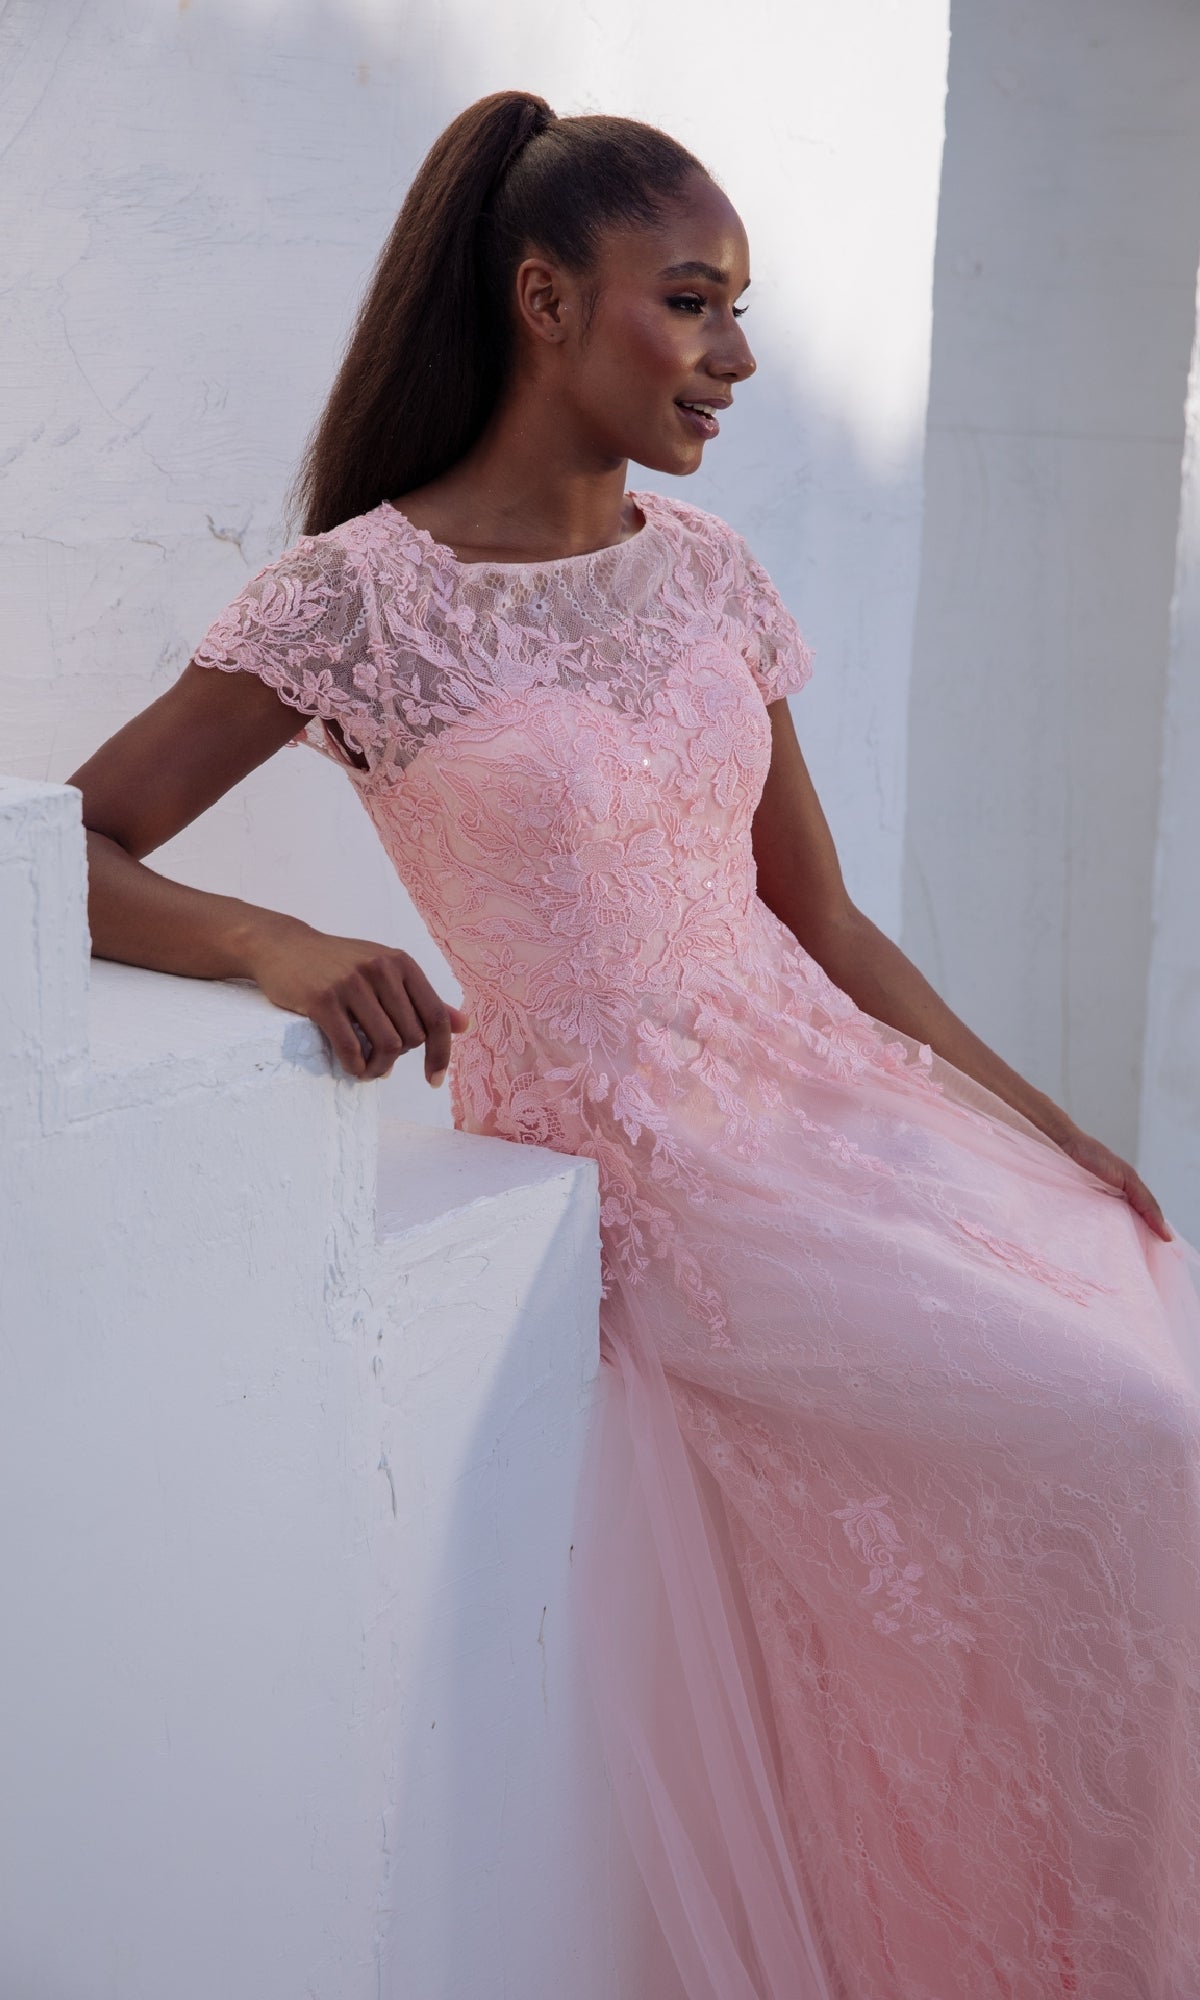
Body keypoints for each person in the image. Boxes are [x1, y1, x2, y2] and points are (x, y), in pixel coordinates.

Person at [68, 90, 1200, 2000]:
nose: (735, 358)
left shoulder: (709, 572)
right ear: (542, 299)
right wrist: (271, 939)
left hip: (822, 1107)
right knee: (1130, 1432)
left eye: (739, 310)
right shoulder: (361, 599)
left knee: (1144, 1363)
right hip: (648, 1165)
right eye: (692, 304)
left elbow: (820, 920)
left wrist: (1039, 1125)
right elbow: (63, 846)